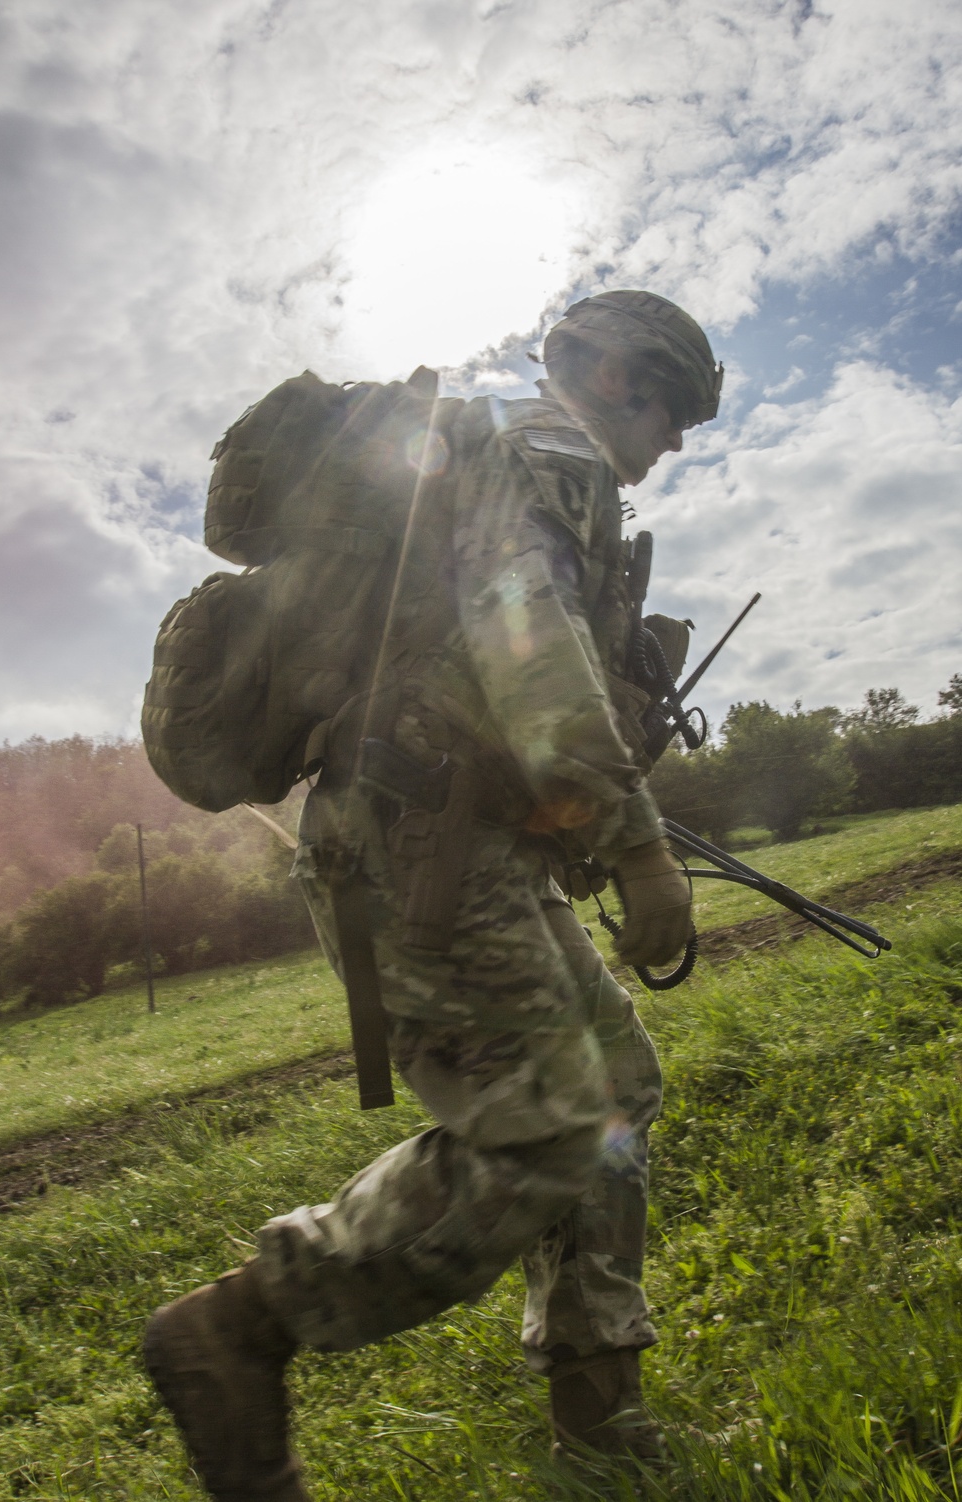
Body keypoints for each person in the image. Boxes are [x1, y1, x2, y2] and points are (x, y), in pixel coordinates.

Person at [144, 289, 724, 1500]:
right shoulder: (548, 449)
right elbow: (527, 638)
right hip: (419, 843)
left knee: (614, 1091)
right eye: (676, 407)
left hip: (457, 839)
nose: (675, 439)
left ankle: (599, 1413)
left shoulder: (506, 452)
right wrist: (638, 847)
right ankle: (240, 1327)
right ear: (617, 376)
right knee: (558, 1123)